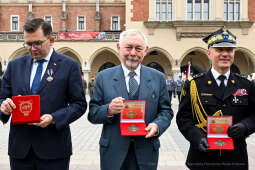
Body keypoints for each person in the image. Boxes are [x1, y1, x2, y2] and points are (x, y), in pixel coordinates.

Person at [0, 18, 87, 170]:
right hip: (20, 150)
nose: (33, 48)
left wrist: (54, 118)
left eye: (38, 43)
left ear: (51, 40)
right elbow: (2, 98)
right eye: (28, 44)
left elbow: (79, 104)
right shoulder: (14, 66)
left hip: (54, 150)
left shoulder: (69, 65)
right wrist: (3, 106)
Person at [88, 29, 173, 170]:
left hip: (146, 152)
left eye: (138, 48)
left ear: (145, 50)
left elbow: (166, 111)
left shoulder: (158, 77)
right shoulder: (103, 77)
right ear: (118, 47)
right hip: (113, 154)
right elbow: (92, 113)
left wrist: (157, 126)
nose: (133, 53)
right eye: (128, 47)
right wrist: (108, 109)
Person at [176, 27, 255, 170]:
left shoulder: (247, 84)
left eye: (229, 50)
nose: (225, 54)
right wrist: (196, 137)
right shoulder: (193, 84)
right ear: (209, 53)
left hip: (236, 158)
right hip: (202, 157)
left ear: (234, 54)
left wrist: (245, 126)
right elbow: (183, 118)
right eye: (219, 50)